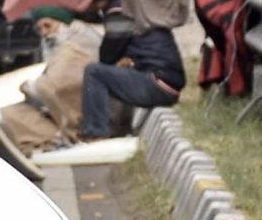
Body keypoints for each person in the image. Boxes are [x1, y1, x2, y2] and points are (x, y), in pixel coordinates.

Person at [77, 7, 186, 139]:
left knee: (94, 72)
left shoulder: (119, 13)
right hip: (167, 84)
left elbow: (107, 57)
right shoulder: (139, 8)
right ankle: (121, 130)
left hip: (158, 84)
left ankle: (95, 132)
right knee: (120, 72)